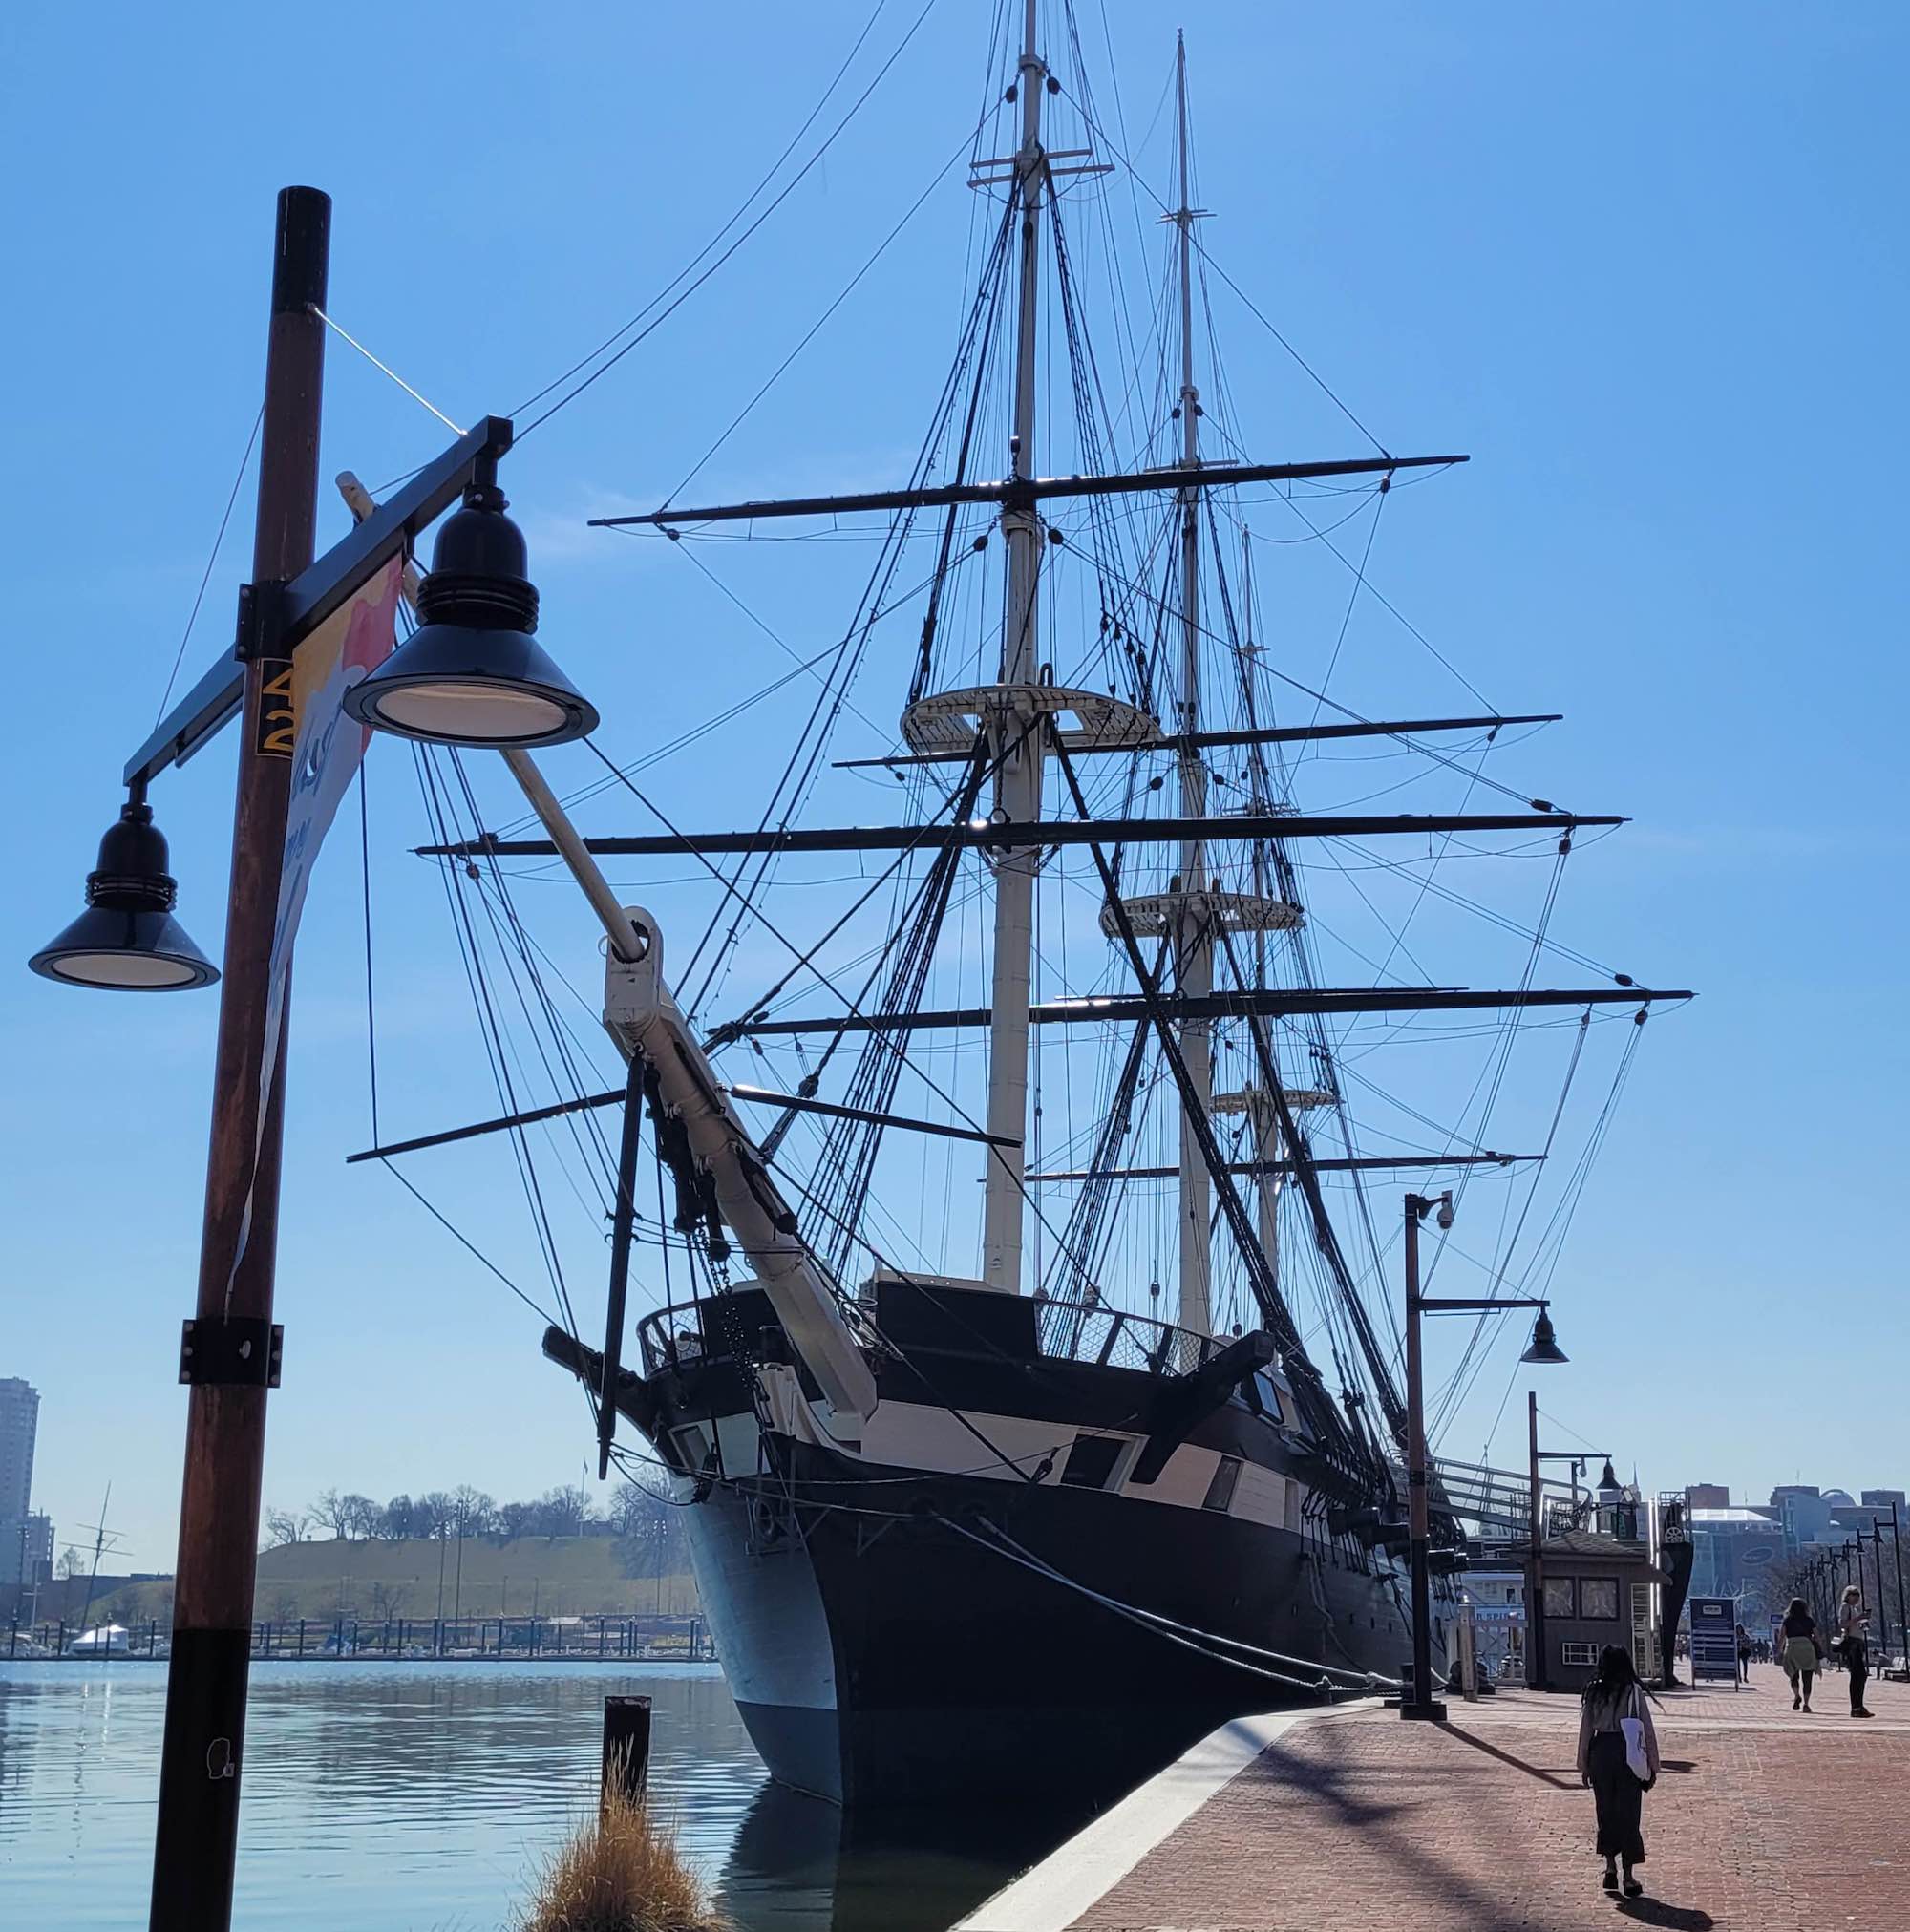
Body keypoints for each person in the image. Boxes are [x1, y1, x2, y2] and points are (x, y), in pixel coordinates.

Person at [1577, 1644, 1660, 1898]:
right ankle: (1629, 1876)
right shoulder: (1633, 1691)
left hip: (1601, 1750)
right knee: (1628, 1812)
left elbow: (1585, 1730)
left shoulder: (1594, 1691)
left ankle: (1610, 1867)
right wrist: (1653, 1765)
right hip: (1627, 1751)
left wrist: (1583, 1764)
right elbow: (1646, 1728)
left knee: (1606, 1810)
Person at [1838, 1583, 1873, 1718]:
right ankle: (1856, 1707)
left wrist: (1863, 1622)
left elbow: (1854, 1624)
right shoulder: (1845, 1607)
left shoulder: (1854, 1609)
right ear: (1848, 1596)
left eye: (1858, 1595)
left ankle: (1859, 1705)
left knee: (1861, 1675)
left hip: (1858, 1641)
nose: (1857, 1598)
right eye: (1854, 1595)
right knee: (1858, 1674)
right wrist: (1858, 1618)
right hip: (1851, 1643)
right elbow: (1843, 1624)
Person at [1780, 1597, 1818, 1711]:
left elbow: (1782, 1636)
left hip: (1792, 1647)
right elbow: (1817, 1635)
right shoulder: (1809, 1620)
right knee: (1807, 1677)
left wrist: (1779, 1649)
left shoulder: (1787, 1620)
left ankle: (1797, 1696)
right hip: (1807, 1648)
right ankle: (1806, 1704)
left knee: (1793, 1675)